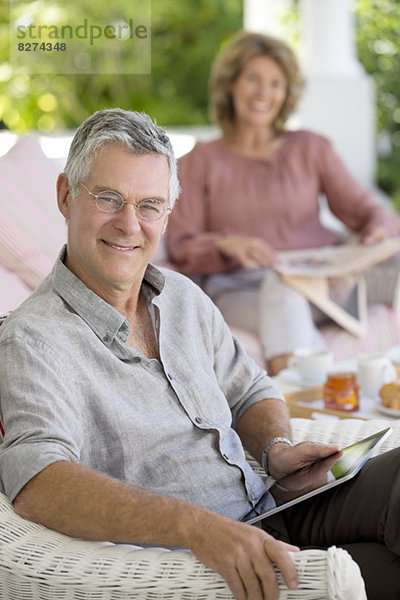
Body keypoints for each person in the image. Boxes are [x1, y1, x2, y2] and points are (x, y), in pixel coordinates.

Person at [0, 108, 399, 600]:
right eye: (109, 199)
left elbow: (249, 388)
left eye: (150, 205)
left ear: (166, 214)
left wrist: (276, 450)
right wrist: (196, 528)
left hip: (271, 508)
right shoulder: (34, 338)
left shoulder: (182, 297)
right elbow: (37, 480)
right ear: (65, 196)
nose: (130, 224)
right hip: (196, 563)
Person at [166, 31, 400, 375]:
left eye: (276, 83)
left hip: (320, 284)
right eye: (253, 79)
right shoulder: (199, 161)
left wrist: (379, 226)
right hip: (242, 290)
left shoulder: (312, 148)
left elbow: (365, 207)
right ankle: (309, 396)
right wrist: (227, 243)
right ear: (230, 85)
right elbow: (180, 244)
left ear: (286, 93)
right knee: (281, 289)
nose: (264, 93)